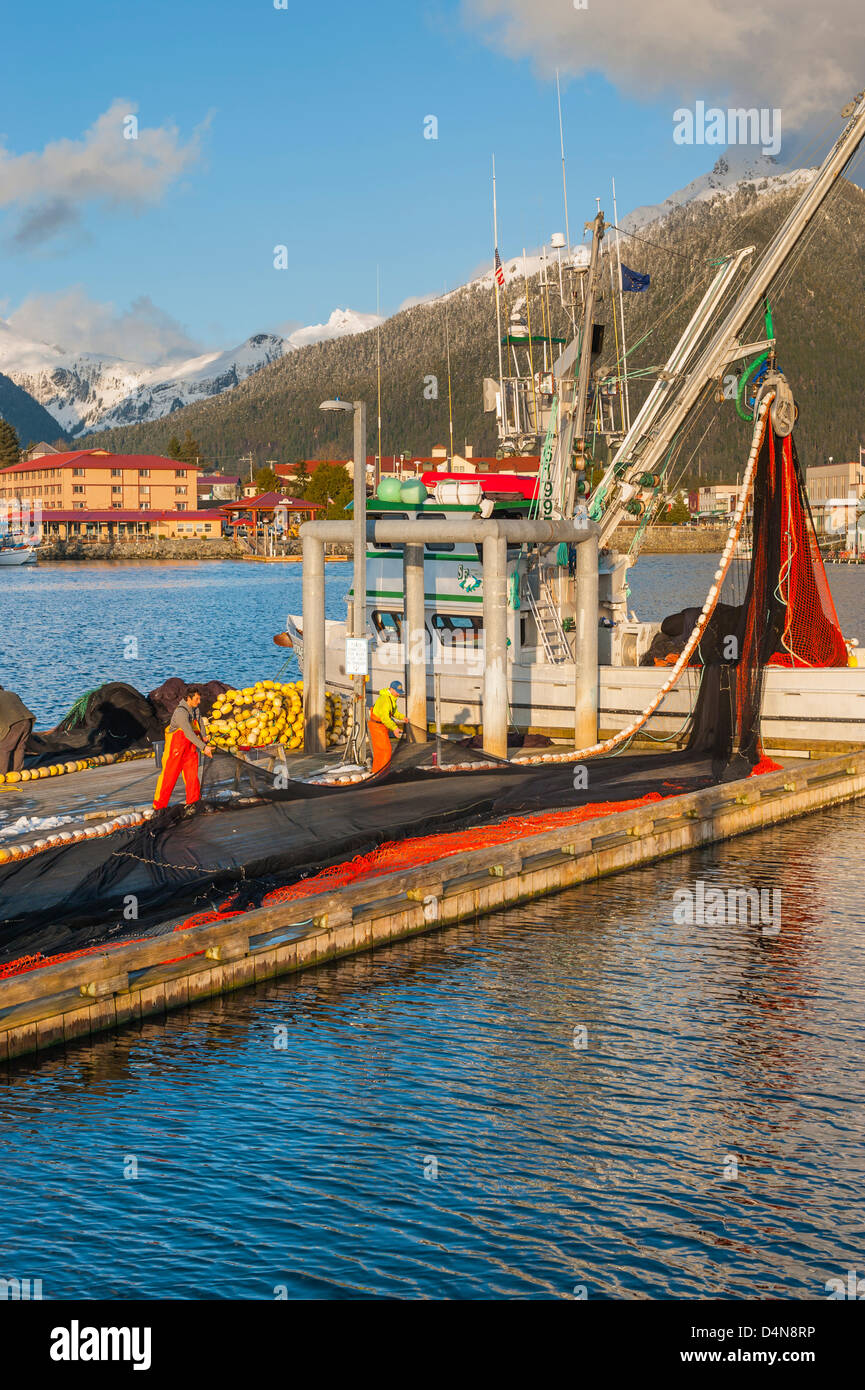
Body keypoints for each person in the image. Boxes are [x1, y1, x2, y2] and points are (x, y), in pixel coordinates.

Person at [153, 684, 213, 810]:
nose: (199, 701)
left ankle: (193, 802)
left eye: (199, 698)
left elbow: (200, 722)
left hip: (190, 749)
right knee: (169, 777)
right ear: (188, 699)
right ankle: (158, 806)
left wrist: (204, 736)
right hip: (176, 749)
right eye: (196, 699)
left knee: (192, 776)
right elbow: (188, 733)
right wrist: (204, 747)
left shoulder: (195, 709)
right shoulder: (180, 712)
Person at [368, 680, 406, 773]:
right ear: (391, 689)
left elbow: (393, 712)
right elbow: (385, 718)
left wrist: (403, 717)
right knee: (386, 750)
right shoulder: (385, 700)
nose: (398, 694)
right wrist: (395, 728)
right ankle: (382, 772)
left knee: (380, 751)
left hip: (381, 726)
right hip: (377, 726)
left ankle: (377, 771)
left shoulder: (392, 698)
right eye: (397, 692)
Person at [0, 685, 35, 776]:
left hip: (14, 724)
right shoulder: (12, 694)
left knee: (4, 748)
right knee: (19, 747)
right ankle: (16, 773)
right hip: (28, 720)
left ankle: (2, 774)